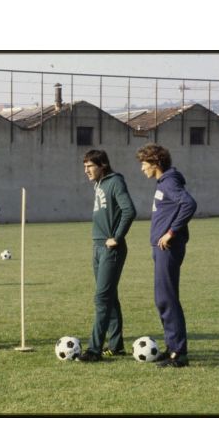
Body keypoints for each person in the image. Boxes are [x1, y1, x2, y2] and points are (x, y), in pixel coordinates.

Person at [136, 143, 197, 368]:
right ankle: (172, 348)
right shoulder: (165, 181)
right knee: (163, 298)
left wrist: (170, 233)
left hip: (168, 249)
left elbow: (189, 204)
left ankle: (179, 353)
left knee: (167, 298)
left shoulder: (170, 181)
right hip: (161, 249)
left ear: (156, 163)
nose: (142, 169)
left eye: (144, 164)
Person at [77, 150, 137, 362]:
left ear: (103, 164)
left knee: (102, 298)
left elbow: (129, 211)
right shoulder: (99, 184)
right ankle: (116, 346)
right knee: (109, 297)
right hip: (97, 247)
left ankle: (94, 350)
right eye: (84, 167)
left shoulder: (115, 181)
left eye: (90, 166)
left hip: (111, 248)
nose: (86, 171)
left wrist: (117, 237)